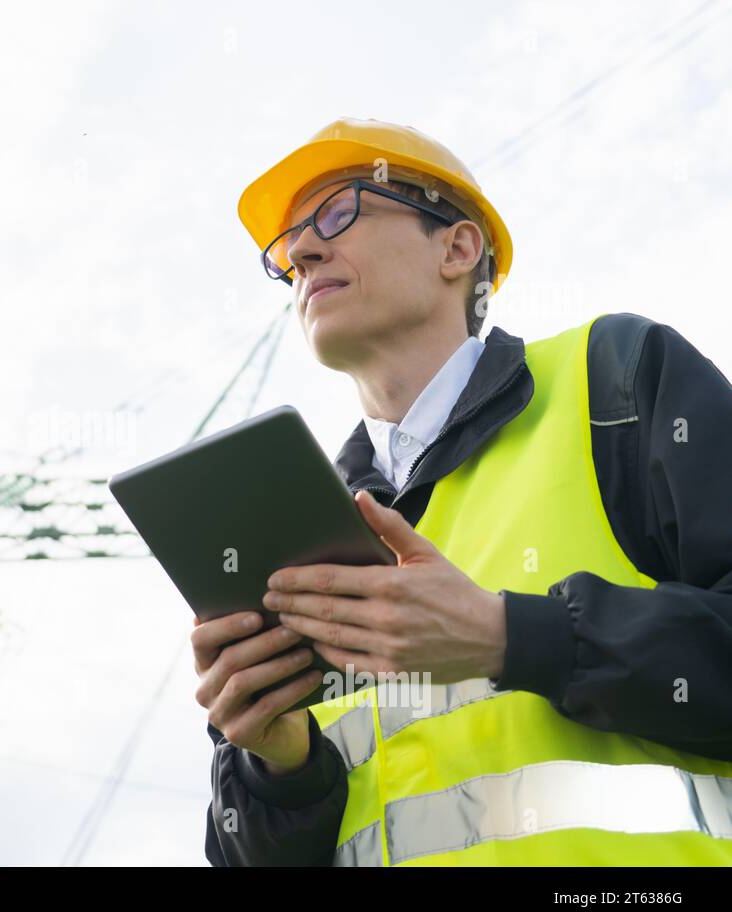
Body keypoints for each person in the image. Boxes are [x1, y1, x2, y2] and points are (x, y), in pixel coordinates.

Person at [197, 117, 732, 866]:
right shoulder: (288, 534)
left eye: (338, 212)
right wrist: (275, 770)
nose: (303, 251)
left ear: (457, 247)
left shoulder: (613, 380)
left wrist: (512, 637)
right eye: (286, 249)